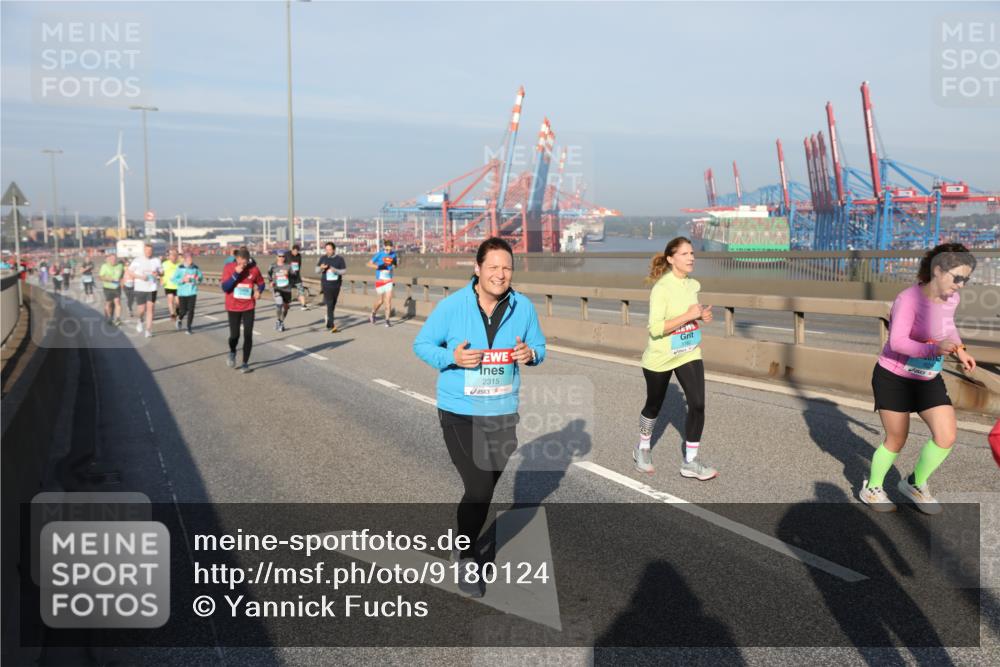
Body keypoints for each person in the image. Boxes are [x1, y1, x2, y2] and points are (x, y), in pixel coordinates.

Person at [413, 237, 546, 597]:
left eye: (506, 268)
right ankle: (468, 555)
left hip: (502, 412)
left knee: (485, 489)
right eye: (493, 267)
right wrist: (452, 358)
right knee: (479, 486)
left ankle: (467, 532)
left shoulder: (524, 307)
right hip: (459, 411)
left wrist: (529, 353)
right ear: (477, 269)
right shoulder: (452, 306)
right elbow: (422, 344)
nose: (500, 275)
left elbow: (541, 348)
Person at [860, 243, 977, 514]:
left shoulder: (952, 299)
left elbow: (948, 328)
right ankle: (873, 487)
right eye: (957, 278)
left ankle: (914, 483)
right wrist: (934, 348)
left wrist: (960, 350)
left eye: (966, 279)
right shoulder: (909, 299)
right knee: (896, 439)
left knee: (946, 435)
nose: (961, 285)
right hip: (894, 376)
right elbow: (898, 342)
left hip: (927, 377)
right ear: (937, 271)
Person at [634, 236, 716, 480]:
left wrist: (701, 316)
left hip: (688, 351)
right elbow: (656, 328)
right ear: (671, 259)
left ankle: (690, 462)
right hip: (660, 356)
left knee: (698, 404)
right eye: (684, 254)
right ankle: (642, 447)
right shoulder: (661, 288)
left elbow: (690, 313)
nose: (691, 257)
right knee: (653, 406)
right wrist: (688, 315)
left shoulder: (693, 285)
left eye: (692, 253)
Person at [221, 247, 265, 372]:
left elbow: (261, 283)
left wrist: (258, 291)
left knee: (248, 335)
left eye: (245, 263)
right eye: (240, 262)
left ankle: (245, 363)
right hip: (233, 306)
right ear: (236, 259)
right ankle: (232, 351)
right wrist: (235, 274)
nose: (243, 265)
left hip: (248, 306)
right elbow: (225, 288)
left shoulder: (254, 269)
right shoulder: (229, 268)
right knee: (234, 335)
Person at [127, 243, 163, 338]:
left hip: (152, 288)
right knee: (142, 310)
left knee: (150, 308)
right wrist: (140, 277)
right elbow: (129, 271)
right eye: (147, 250)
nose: (148, 252)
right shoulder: (137, 260)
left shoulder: (156, 260)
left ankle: (148, 330)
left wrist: (158, 273)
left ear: (152, 251)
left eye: (150, 251)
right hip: (140, 288)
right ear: (144, 250)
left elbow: (162, 272)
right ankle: (140, 320)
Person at [316, 242, 347, 332]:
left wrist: (335, 270)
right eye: (326, 249)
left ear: (333, 250)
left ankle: (329, 319)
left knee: (333, 304)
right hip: (326, 284)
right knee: (329, 303)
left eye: (329, 249)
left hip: (336, 285)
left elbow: (344, 271)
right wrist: (321, 267)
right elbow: (316, 270)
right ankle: (332, 326)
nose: (328, 251)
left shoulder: (339, 259)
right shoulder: (323, 258)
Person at [172, 252, 204, 334]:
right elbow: (173, 279)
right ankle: (179, 319)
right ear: (185, 260)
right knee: (183, 311)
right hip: (182, 293)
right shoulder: (180, 268)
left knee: (191, 310)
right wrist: (182, 280)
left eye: (191, 259)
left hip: (192, 292)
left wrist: (198, 279)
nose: (191, 261)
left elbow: (200, 278)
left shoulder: (195, 268)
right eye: (189, 259)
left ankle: (189, 327)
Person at [367, 239, 397, 327]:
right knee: (380, 301)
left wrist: (393, 266)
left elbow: (395, 264)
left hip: (388, 280)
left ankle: (387, 320)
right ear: (384, 248)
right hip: (380, 280)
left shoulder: (393, 254)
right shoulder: (379, 254)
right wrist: (379, 267)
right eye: (387, 249)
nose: (388, 251)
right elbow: (368, 264)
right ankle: (373, 313)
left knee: (388, 301)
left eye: (390, 249)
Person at [268, 251, 294, 332]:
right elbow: (269, 275)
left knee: (286, 307)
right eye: (279, 256)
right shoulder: (272, 266)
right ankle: (279, 320)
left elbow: (294, 276)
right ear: (277, 257)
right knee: (279, 303)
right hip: (277, 288)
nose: (281, 258)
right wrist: (271, 282)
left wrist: (288, 274)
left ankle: (281, 321)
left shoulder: (288, 266)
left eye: (283, 256)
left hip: (287, 289)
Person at [99, 253, 124, 325]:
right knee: (109, 303)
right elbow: (100, 277)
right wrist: (109, 279)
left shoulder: (120, 266)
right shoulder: (104, 266)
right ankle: (109, 317)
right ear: (109, 259)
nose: (113, 260)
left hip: (116, 287)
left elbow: (122, 275)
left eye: (114, 259)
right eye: (112, 259)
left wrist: (122, 282)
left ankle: (118, 319)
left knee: (117, 301)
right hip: (108, 287)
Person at [161, 248, 182, 322]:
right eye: (172, 255)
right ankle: (172, 314)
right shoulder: (164, 264)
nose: (174, 257)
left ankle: (177, 311)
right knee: (170, 300)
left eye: (175, 255)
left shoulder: (180, 264)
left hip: (178, 286)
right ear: (169, 256)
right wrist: (161, 279)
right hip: (168, 285)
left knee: (178, 302)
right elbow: (161, 273)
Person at [287, 244, 309, 311]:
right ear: (292, 250)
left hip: (296, 276)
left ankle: (303, 305)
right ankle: (287, 304)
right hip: (288, 276)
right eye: (295, 251)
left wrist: (296, 272)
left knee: (301, 289)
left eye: (297, 251)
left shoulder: (299, 256)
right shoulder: (287, 254)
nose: (296, 253)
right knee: (287, 291)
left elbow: (299, 265)